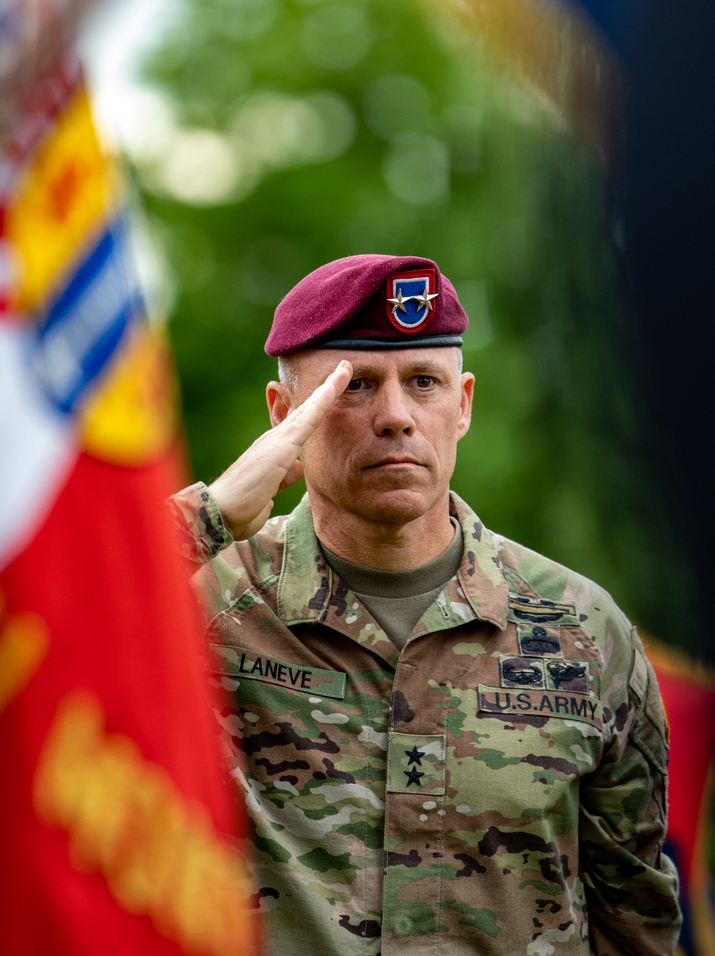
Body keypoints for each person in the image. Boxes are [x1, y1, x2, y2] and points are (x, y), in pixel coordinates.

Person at [171, 254, 680, 955]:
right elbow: (25, 646)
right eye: (353, 388)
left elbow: (638, 923)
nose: (396, 417)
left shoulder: (584, 631)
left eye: (423, 383)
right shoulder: (201, 611)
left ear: (464, 404)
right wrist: (210, 515)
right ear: (283, 413)